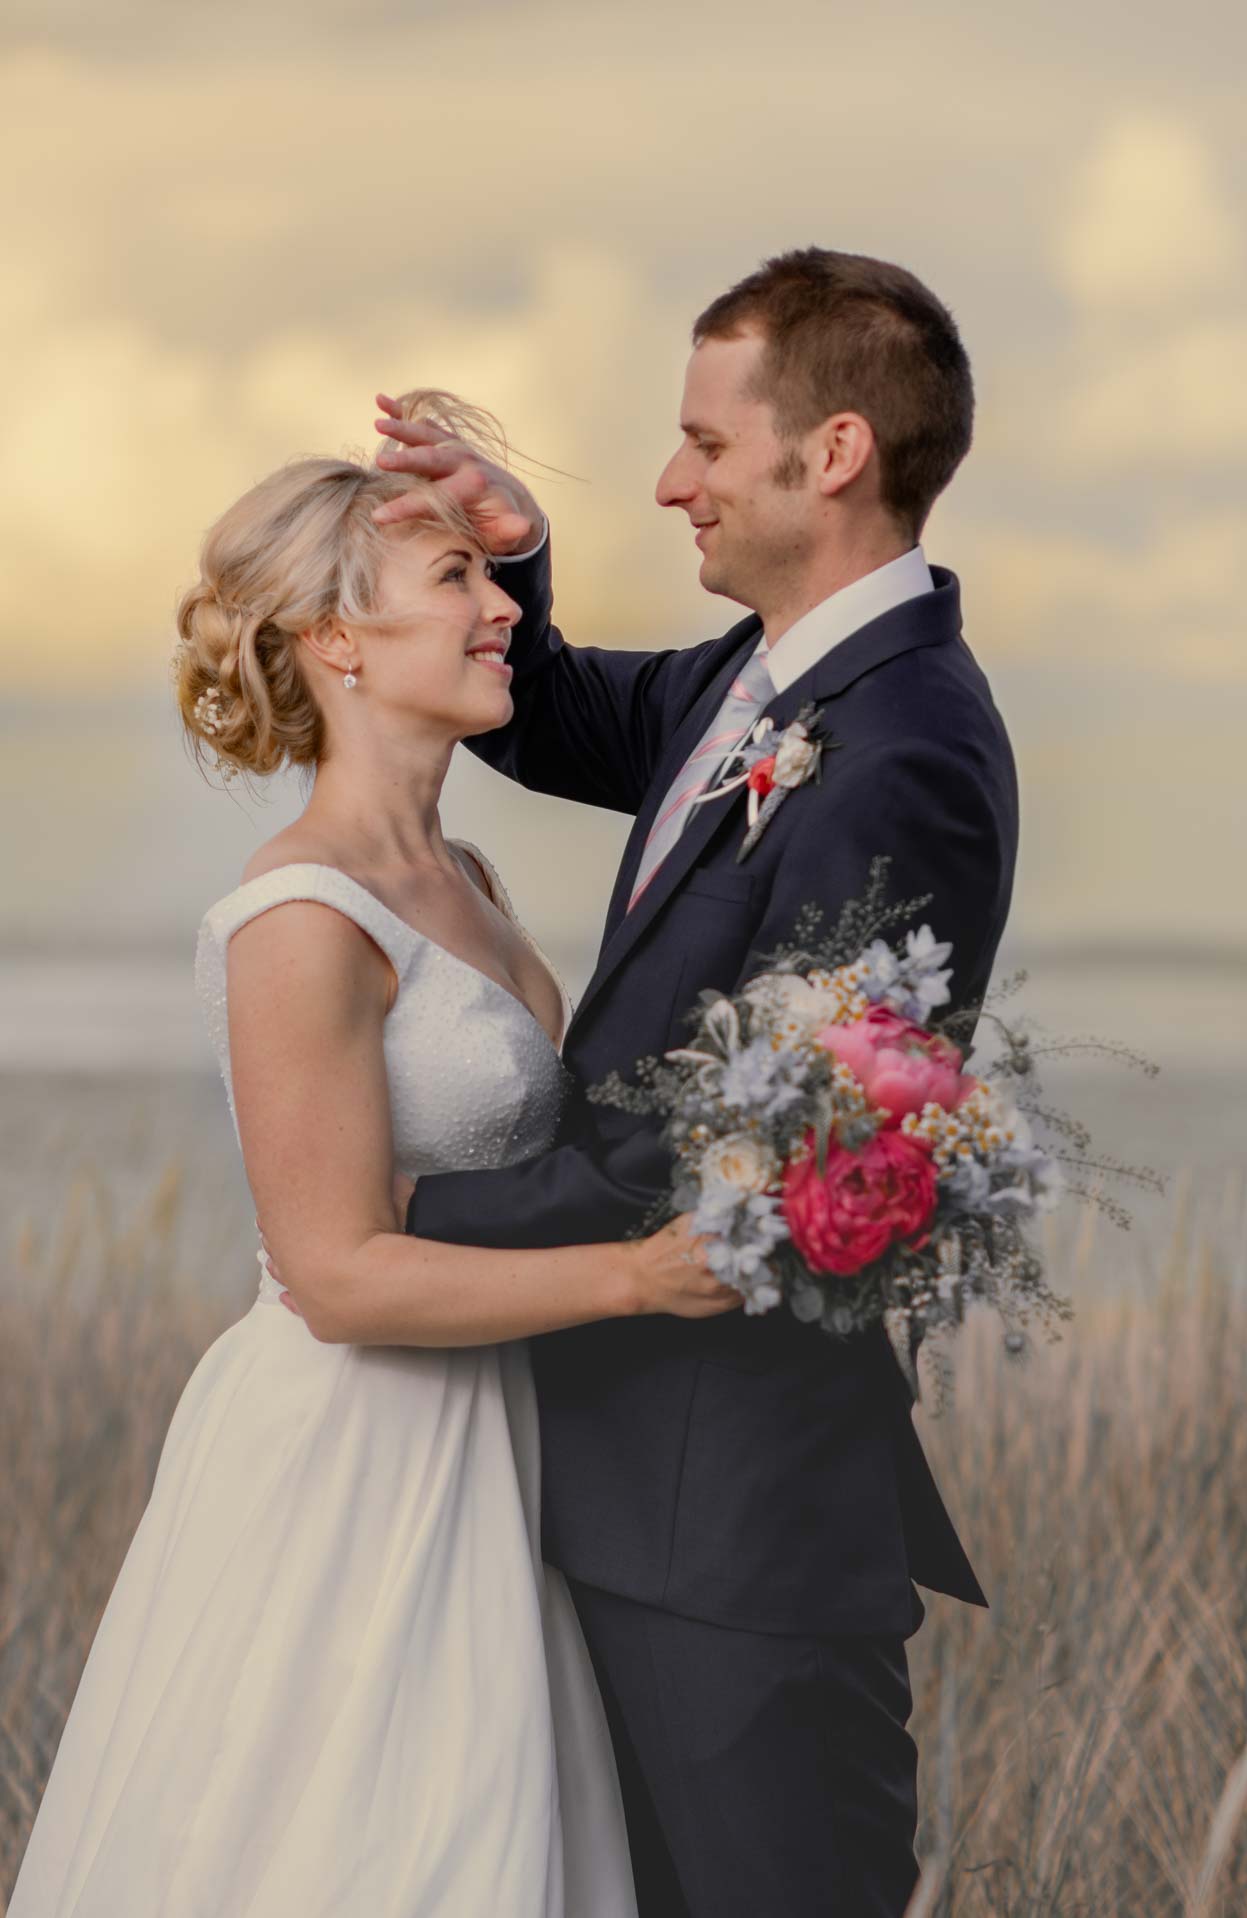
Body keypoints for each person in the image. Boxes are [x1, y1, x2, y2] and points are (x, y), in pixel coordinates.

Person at [8, 392, 740, 1918]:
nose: (501, 616)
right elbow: (336, 1272)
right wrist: (642, 1277)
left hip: (503, 1442)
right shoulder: (300, 919)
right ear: (339, 644)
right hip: (357, 1461)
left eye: (489, 580)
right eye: (457, 586)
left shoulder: (458, 874)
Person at [354, 248, 1020, 1918]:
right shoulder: (758, 677)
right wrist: (511, 555)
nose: (671, 482)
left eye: (706, 447)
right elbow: (558, 713)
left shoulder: (904, 750)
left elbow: (743, 1151)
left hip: (737, 1535)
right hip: (625, 1490)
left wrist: (387, 1234)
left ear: (837, 452)